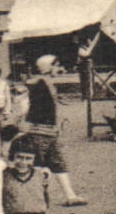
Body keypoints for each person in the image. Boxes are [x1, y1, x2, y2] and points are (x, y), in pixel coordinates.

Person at [18, 56, 86, 205]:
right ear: (48, 67)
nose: (59, 68)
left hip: (49, 132)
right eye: (56, 65)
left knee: (58, 163)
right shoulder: (39, 85)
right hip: (40, 131)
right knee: (37, 164)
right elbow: (25, 106)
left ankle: (70, 196)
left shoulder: (45, 83)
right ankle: (34, 198)